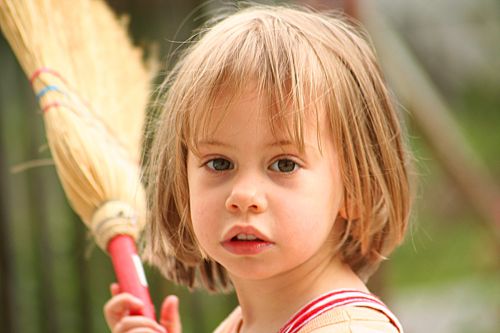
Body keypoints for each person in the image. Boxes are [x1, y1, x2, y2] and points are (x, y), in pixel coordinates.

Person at [104, 4, 412, 333]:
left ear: (355, 188)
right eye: (219, 163)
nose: (243, 196)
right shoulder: (241, 324)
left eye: (284, 164)